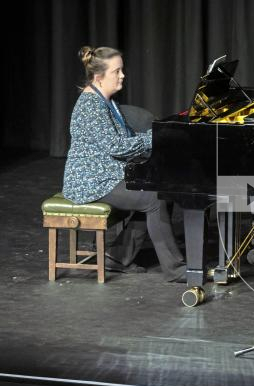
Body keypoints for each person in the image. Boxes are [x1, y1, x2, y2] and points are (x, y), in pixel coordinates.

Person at [62, 45, 186, 282]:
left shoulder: (106, 101)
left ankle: (117, 258)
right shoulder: (91, 105)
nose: (122, 75)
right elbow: (116, 147)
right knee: (153, 198)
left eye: (122, 70)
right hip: (91, 181)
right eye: (116, 71)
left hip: (106, 174)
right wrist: (157, 136)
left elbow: (124, 139)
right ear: (99, 77)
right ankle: (175, 270)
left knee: (158, 190)